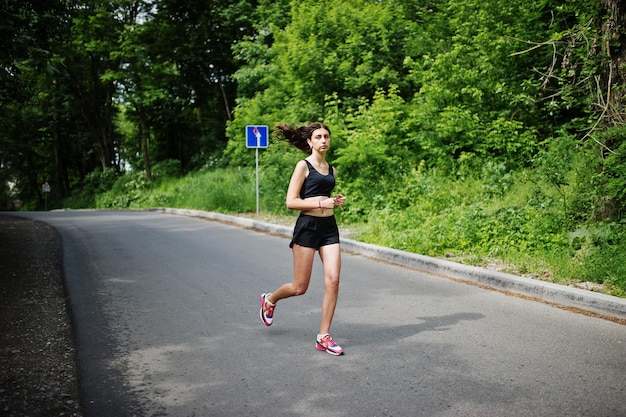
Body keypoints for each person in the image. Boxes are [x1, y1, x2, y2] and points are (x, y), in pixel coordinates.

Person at [259, 122, 346, 356]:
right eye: (318, 137)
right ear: (309, 142)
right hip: (307, 227)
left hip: (329, 227)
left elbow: (323, 195)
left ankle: (323, 336)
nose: (323, 140)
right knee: (300, 287)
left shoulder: (331, 169)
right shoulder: (303, 166)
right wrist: (320, 202)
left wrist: (332, 201)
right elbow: (291, 201)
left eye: (326, 136)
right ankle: (270, 299)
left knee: (334, 280)